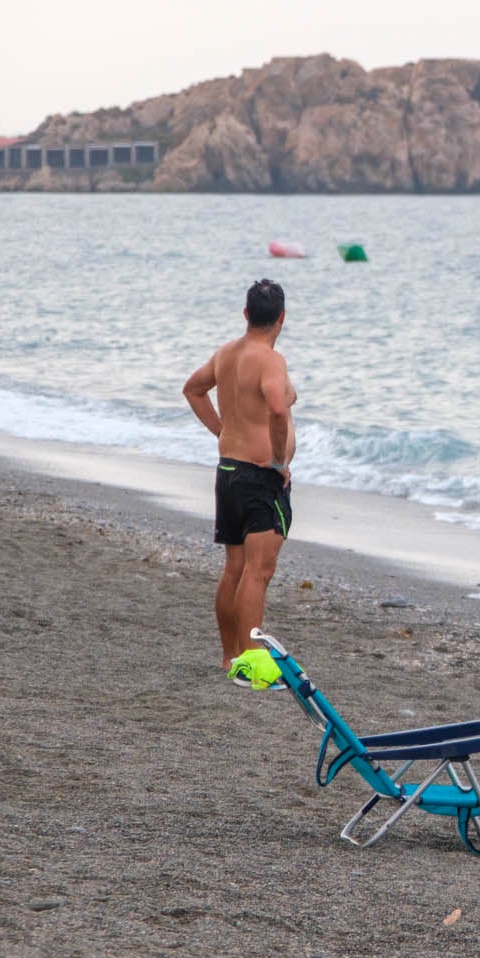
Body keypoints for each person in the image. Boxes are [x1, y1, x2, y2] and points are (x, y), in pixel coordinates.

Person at [182, 279, 297, 689]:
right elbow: (279, 410)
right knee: (257, 572)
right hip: (258, 476)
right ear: (282, 317)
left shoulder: (227, 353)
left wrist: (221, 431)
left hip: (229, 471)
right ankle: (252, 662)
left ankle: (230, 656)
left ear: (246, 314)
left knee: (234, 568)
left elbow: (193, 389)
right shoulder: (269, 360)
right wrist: (280, 461)